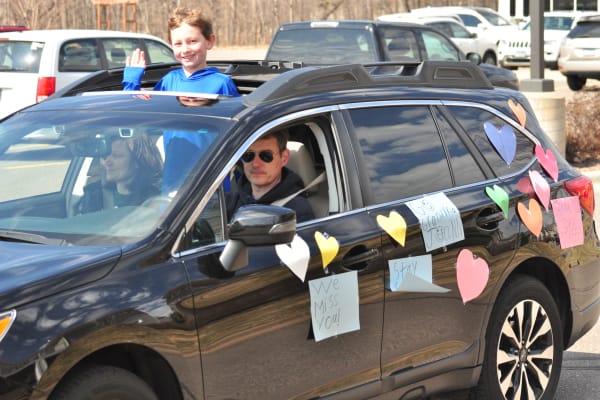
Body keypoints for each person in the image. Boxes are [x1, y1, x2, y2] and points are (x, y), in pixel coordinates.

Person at [123, 7, 240, 195]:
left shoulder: (221, 83)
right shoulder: (169, 81)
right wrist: (131, 83)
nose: (185, 49)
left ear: (210, 41)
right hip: (172, 187)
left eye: (192, 41)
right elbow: (137, 117)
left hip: (211, 190)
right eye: (177, 44)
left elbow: (238, 136)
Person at [226, 130, 314, 223]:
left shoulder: (297, 211)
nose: (255, 164)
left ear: (284, 158)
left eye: (266, 155)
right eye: (248, 155)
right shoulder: (229, 201)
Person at [77, 134, 163, 213]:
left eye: (117, 156)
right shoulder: (93, 196)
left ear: (138, 161)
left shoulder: (156, 199)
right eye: (105, 156)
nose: (107, 162)